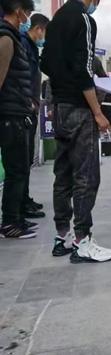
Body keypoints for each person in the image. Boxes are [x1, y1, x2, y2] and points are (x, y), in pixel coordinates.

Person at [40, 0, 111, 262]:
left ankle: (62, 236)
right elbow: (84, 69)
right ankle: (83, 240)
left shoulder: (58, 18)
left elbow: (46, 64)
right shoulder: (83, 20)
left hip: (59, 107)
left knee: (63, 174)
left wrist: (58, 91)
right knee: (86, 175)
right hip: (79, 108)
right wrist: (97, 112)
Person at [0, 0, 38, 239]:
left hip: (17, 113)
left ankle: (16, 218)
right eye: (28, 12)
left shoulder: (15, 38)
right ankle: (10, 223)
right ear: (18, 10)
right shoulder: (6, 39)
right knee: (16, 170)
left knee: (20, 169)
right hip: (9, 116)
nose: (28, 18)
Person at [20, 12, 49, 221]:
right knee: (20, 162)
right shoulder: (21, 44)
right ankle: (17, 209)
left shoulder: (30, 47)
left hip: (30, 107)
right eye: (45, 33)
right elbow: (20, 77)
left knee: (27, 158)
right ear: (39, 29)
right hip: (22, 108)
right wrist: (27, 101)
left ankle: (24, 198)